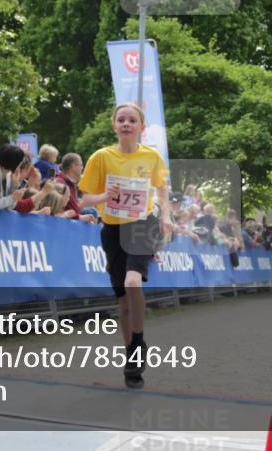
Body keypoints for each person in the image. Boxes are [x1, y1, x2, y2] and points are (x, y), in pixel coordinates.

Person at [79, 103, 172, 389]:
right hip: (113, 229)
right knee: (123, 300)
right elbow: (84, 199)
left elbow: (162, 188)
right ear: (114, 125)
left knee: (133, 282)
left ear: (142, 127)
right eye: (121, 120)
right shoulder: (101, 157)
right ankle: (131, 356)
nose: (127, 124)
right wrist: (104, 196)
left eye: (132, 120)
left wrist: (166, 216)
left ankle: (139, 340)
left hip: (142, 224)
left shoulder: (151, 157)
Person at [54, 152, 97, 223]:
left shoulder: (67, 182)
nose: (82, 168)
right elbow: (57, 210)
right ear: (74, 166)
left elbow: (73, 207)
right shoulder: (60, 182)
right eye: (81, 165)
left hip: (71, 218)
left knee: (92, 210)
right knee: (92, 211)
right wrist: (79, 217)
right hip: (66, 222)